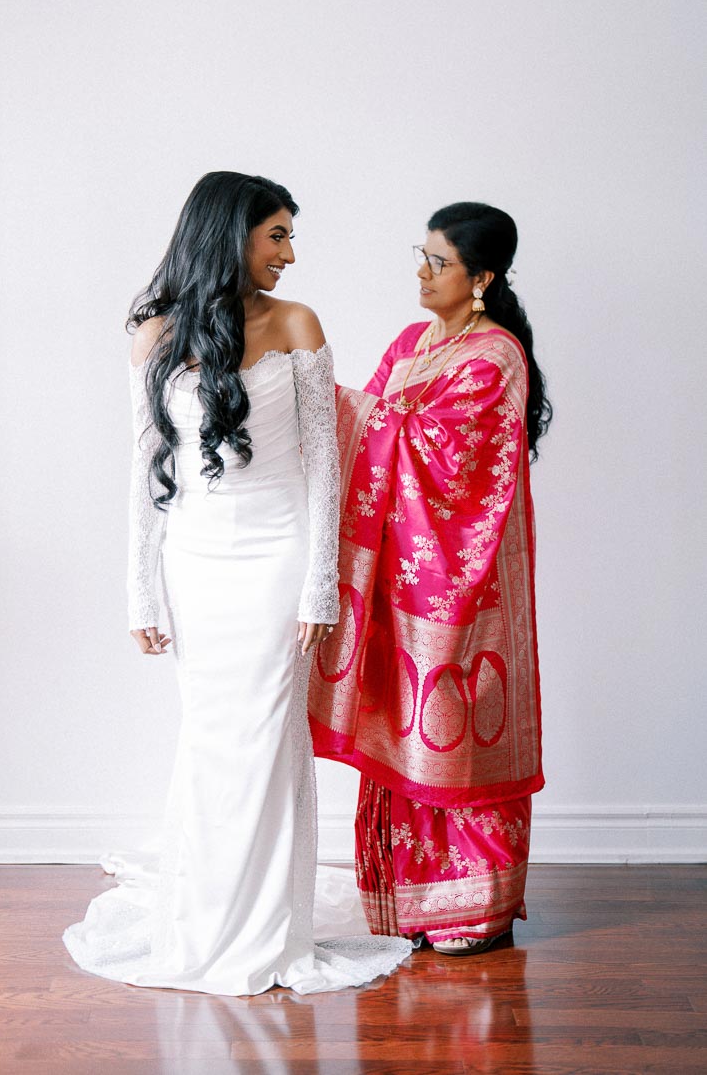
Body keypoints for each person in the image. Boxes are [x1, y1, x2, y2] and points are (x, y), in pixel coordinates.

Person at [64, 172, 412, 994]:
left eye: (290, 236)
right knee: (211, 738)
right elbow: (148, 468)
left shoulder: (298, 324)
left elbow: (327, 462)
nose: (290, 253)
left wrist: (319, 584)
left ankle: (269, 929)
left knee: (264, 739)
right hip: (194, 559)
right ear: (231, 235)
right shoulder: (153, 335)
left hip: (279, 554)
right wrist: (139, 591)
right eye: (277, 235)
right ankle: (204, 919)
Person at [309, 201, 550, 956]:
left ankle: (475, 908)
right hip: (396, 583)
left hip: (461, 585)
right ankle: (412, 899)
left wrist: (315, 391)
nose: (422, 271)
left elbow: (450, 463)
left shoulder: (496, 355)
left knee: (455, 715)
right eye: (422, 255)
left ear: (480, 277)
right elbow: (374, 423)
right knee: (397, 717)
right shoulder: (412, 343)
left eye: (438, 261)